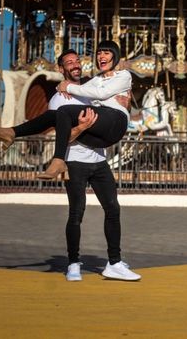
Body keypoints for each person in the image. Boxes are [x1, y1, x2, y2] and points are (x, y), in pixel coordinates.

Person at [49, 49, 141, 282]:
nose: (75, 65)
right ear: (61, 69)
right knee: (76, 213)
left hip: (99, 160)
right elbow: (61, 137)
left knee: (113, 208)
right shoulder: (59, 99)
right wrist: (80, 128)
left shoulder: (91, 89)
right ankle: (72, 262)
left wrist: (124, 104)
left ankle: (114, 262)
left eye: (77, 60)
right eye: (69, 62)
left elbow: (109, 107)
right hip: (75, 161)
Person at [0, 40, 131, 181]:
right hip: (99, 136)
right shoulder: (96, 80)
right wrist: (62, 86)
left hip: (116, 122)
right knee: (57, 114)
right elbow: (84, 90)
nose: (101, 57)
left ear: (115, 56)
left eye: (106, 53)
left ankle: (58, 160)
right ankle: (11, 133)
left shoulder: (124, 75)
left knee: (64, 111)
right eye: (99, 53)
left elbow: (101, 94)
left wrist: (67, 87)